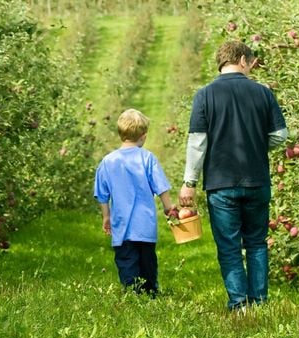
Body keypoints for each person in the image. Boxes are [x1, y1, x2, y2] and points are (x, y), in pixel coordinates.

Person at [179, 41, 288, 310]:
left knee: (229, 247)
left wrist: (189, 182)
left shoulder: (204, 95)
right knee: (257, 243)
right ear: (241, 60)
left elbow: (197, 142)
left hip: (220, 183)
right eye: (250, 63)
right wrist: (257, 145)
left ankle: (239, 306)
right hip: (257, 180)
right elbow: (280, 136)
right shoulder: (263, 93)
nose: (251, 68)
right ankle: (260, 302)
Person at [94, 108, 175, 295]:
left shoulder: (108, 161)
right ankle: (150, 292)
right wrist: (168, 207)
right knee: (147, 262)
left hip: (121, 226)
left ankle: (131, 293)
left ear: (120, 134)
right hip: (145, 225)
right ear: (144, 136)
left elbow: (102, 194)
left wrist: (106, 217)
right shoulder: (147, 158)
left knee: (126, 261)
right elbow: (161, 187)